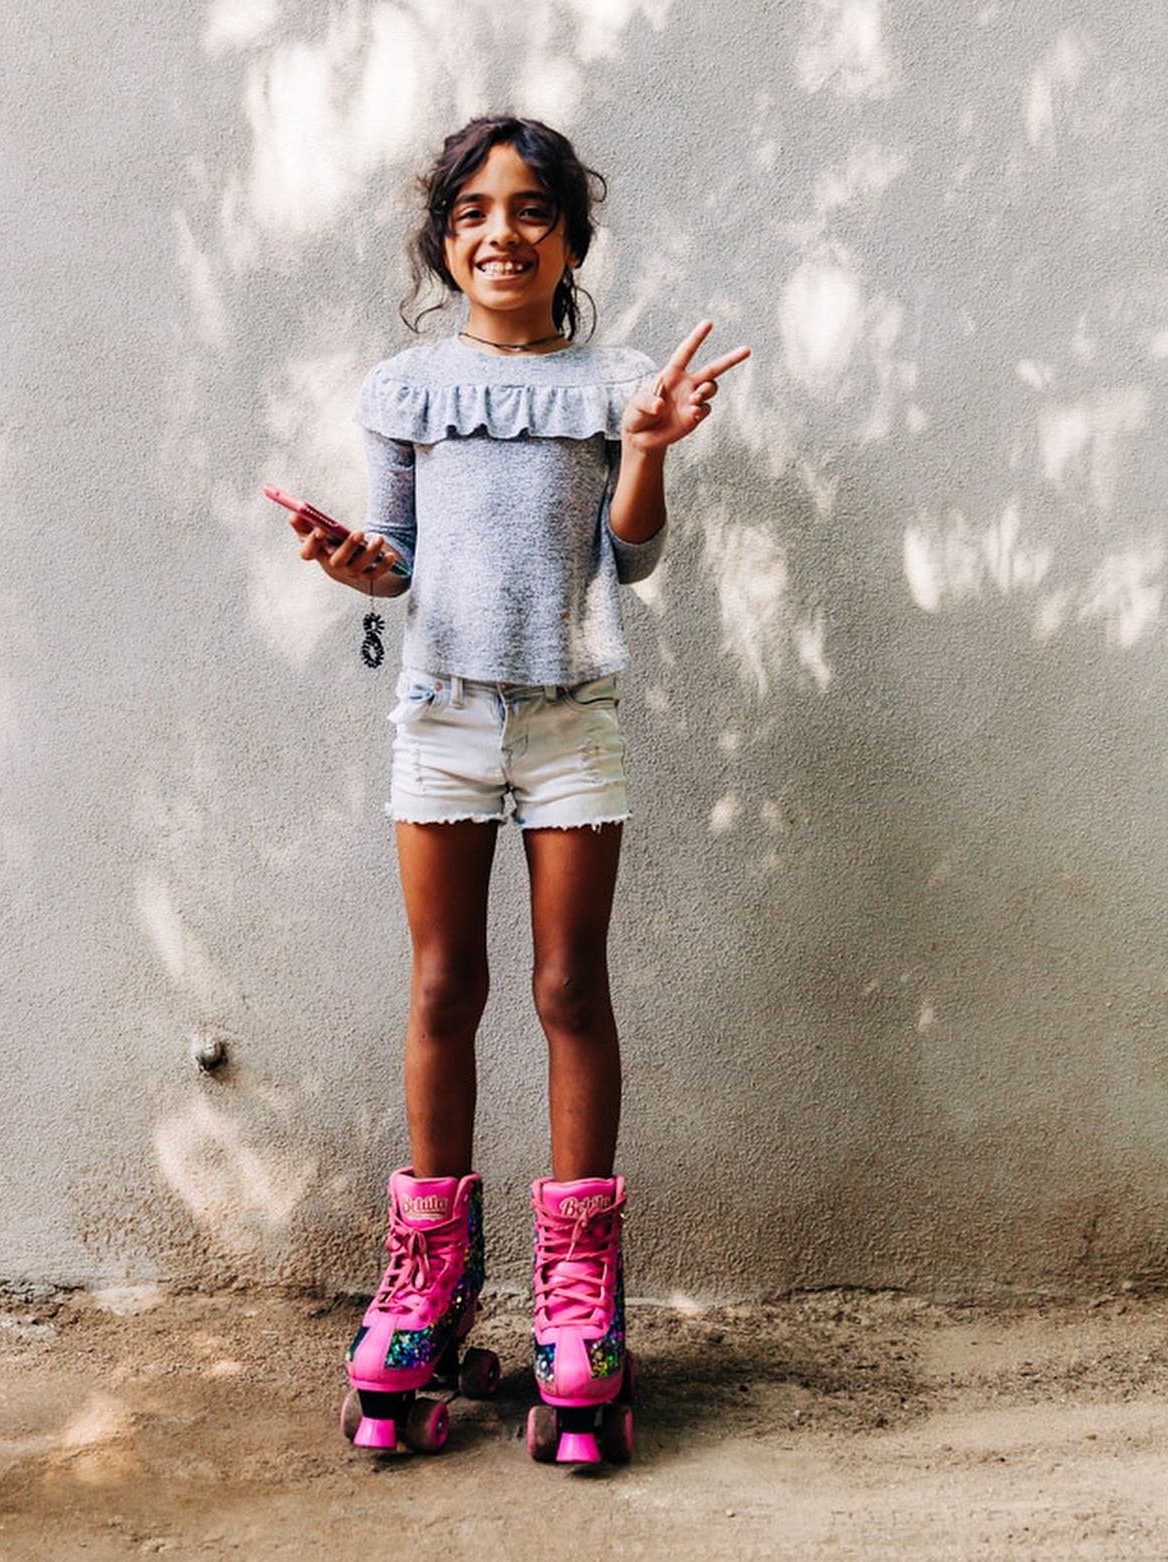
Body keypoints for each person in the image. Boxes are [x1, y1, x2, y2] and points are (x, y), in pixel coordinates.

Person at [291, 114, 749, 1464]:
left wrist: (652, 445)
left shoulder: (615, 381)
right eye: (475, 210)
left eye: (532, 209)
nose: (502, 231)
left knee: (566, 987)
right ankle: (426, 1284)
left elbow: (636, 558)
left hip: (570, 722)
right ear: (446, 237)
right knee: (442, 987)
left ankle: (576, 1303)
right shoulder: (405, 386)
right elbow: (399, 556)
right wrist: (353, 564)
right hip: (439, 717)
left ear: (568, 239)